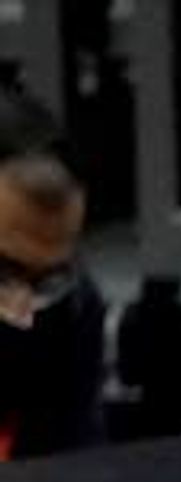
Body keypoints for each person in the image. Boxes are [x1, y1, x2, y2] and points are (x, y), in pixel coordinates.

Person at [0, 87, 101, 462]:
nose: (23, 312)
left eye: (49, 281)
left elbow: (70, 478)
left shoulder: (73, 307)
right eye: (4, 270)